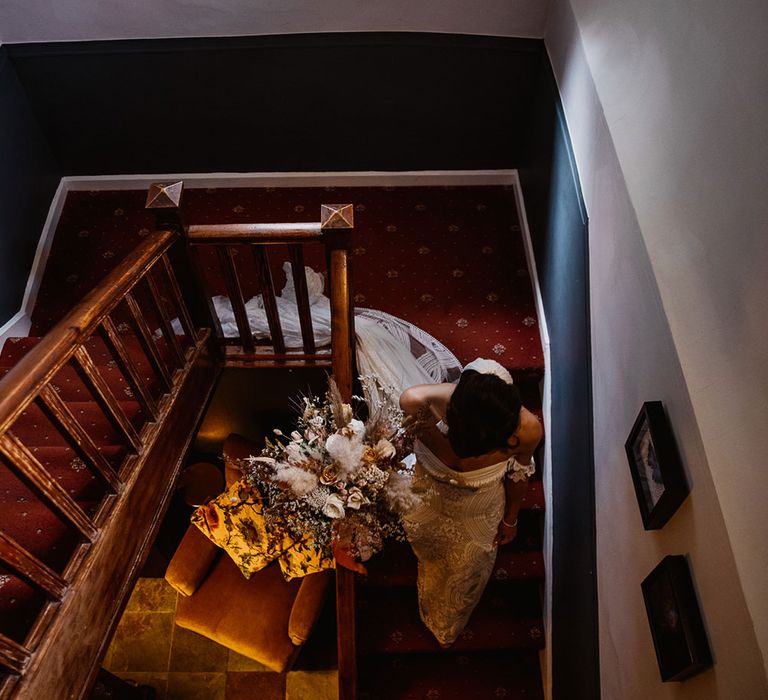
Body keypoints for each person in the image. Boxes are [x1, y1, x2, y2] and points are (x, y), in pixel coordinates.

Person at [399, 358, 542, 647]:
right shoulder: (416, 402)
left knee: (468, 569)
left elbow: (518, 475)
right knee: (426, 546)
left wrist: (511, 519)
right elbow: (456, 461)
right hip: (429, 499)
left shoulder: (528, 430)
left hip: (480, 508)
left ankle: (448, 624)